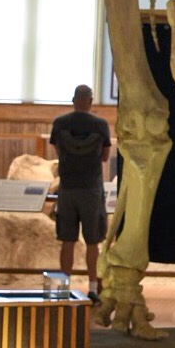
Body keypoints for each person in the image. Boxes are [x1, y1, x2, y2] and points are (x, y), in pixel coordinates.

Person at [50, 84, 112, 303]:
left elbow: (58, 150)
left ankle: (63, 288)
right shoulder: (101, 125)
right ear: (91, 101)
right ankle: (93, 288)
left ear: (73, 100)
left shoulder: (60, 123)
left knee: (67, 240)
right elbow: (105, 157)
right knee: (93, 241)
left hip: (67, 188)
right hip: (91, 189)